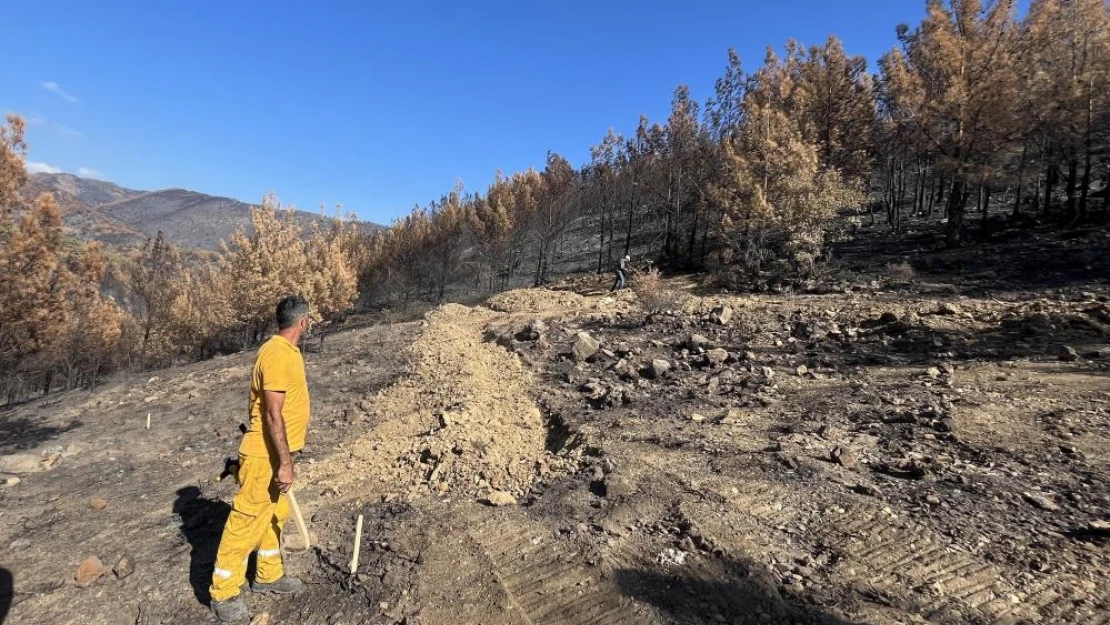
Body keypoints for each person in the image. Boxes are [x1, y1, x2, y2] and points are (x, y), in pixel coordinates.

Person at [209, 296, 313, 623]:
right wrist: (284, 462)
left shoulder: (286, 352)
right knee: (244, 522)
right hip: (263, 456)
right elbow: (272, 414)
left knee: (274, 514)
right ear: (303, 322)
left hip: (275, 454)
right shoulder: (277, 355)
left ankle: (267, 574)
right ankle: (222, 592)